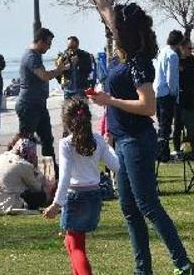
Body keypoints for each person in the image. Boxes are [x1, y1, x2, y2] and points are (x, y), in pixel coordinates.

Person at [75, 0, 194, 275]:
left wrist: (108, 101)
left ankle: (185, 265)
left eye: (116, 22)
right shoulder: (122, 56)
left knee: (147, 205)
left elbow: (148, 107)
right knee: (129, 209)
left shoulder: (138, 63)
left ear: (125, 32)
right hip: (122, 139)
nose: (109, 21)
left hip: (136, 139)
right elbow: (104, 5)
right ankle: (142, 271)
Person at [43, 99, 120, 275]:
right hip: (94, 195)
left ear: (66, 122)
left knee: (76, 246)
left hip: (75, 196)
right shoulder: (98, 141)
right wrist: (110, 146)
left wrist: (57, 204)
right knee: (73, 241)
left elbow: (65, 176)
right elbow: (116, 166)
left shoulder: (66, 144)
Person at [16, 28, 68, 175]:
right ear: (40, 41)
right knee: (26, 142)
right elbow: (44, 76)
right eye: (48, 43)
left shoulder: (36, 56)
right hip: (29, 105)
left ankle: (51, 172)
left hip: (39, 105)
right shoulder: (31, 56)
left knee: (47, 138)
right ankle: (21, 172)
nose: (49, 47)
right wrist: (60, 70)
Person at [154, 30, 183, 163]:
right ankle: (163, 153)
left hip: (158, 92)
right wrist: (174, 93)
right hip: (167, 93)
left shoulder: (162, 52)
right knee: (166, 125)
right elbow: (171, 77)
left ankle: (160, 151)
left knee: (161, 123)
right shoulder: (173, 55)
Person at [173, 39, 194, 158]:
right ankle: (177, 148)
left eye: (192, 48)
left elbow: (193, 75)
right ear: (182, 48)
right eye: (189, 48)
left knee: (192, 123)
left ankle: (192, 148)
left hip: (192, 95)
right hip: (181, 96)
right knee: (178, 123)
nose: (191, 51)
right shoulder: (176, 60)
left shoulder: (191, 60)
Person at [56, 36, 94, 100]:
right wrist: (62, 84)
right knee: (68, 109)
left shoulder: (85, 55)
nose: (71, 50)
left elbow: (89, 70)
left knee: (82, 108)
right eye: (69, 48)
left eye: (73, 47)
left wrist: (78, 63)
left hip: (81, 88)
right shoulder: (63, 57)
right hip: (68, 89)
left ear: (77, 45)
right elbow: (57, 72)